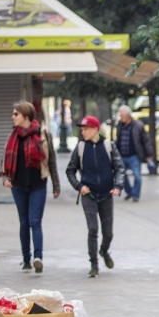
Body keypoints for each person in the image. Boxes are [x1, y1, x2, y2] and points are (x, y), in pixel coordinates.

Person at [0, 100, 61, 273]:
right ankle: (26, 259)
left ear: (26, 116)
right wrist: (5, 178)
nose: (13, 117)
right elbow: (4, 160)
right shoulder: (12, 136)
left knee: (35, 221)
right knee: (24, 222)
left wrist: (56, 186)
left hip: (38, 185)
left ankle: (38, 258)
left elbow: (52, 161)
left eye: (16, 114)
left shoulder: (43, 134)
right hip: (18, 185)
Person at [65, 116, 124, 277]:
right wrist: (79, 186)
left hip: (106, 195)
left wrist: (118, 186)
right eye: (82, 129)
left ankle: (103, 251)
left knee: (108, 233)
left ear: (96, 129)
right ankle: (94, 265)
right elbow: (70, 170)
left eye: (86, 129)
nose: (83, 132)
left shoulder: (108, 146)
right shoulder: (81, 147)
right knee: (92, 229)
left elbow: (119, 167)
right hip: (88, 195)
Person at [115, 105, 154, 202]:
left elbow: (145, 141)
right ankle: (130, 192)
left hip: (134, 156)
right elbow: (118, 140)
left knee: (137, 176)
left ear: (128, 114)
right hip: (122, 156)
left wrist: (149, 154)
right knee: (121, 176)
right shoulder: (120, 125)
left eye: (122, 114)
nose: (120, 116)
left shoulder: (138, 125)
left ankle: (135, 195)